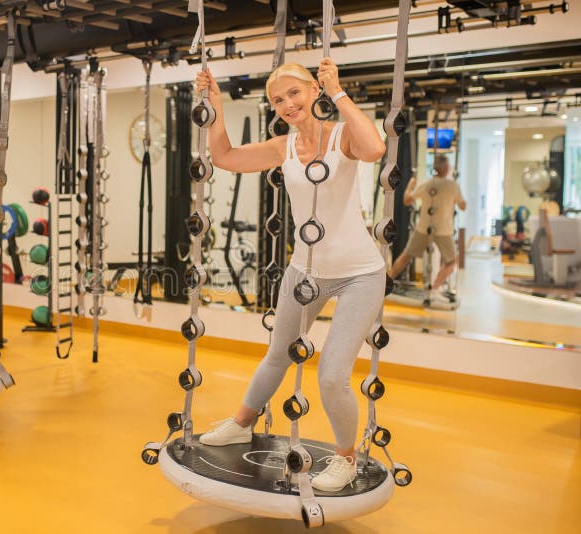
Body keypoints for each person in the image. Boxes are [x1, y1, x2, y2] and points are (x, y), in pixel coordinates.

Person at [194, 60, 387, 492]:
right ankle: (242, 422)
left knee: (332, 373)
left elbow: (375, 149)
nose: (287, 105)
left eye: (294, 94)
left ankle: (345, 459)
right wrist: (216, 105)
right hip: (306, 270)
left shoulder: (342, 138)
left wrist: (338, 91)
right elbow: (223, 157)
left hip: (360, 274)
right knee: (277, 354)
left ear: (313, 91)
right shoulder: (283, 148)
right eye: (278, 100)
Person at [388, 155, 466, 299]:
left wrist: (410, 185)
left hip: (424, 228)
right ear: (446, 168)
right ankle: (434, 289)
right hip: (443, 230)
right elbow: (463, 206)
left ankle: (387, 281)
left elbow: (406, 200)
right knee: (451, 262)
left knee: (406, 256)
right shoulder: (453, 186)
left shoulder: (427, 184)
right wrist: (456, 200)